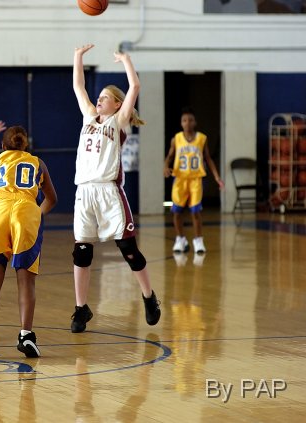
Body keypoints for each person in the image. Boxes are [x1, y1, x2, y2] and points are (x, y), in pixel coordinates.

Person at [70, 44, 161, 333]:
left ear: (118, 105)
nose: (98, 100)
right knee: (81, 252)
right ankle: (81, 309)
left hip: (109, 191)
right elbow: (78, 86)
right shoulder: (88, 116)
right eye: (98, 97)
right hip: (84, 191)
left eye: (105, 97)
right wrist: (78, 57)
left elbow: (135, 86)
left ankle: (149, 297)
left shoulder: (118, 122)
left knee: (128, 248)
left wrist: (126, 60)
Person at [0, 126, 57, 359]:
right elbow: (52, 198)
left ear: (2, 146)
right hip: (26, 213)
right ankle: (26, 336)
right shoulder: (38, 163)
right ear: (25, 146)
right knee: (26, 280)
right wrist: (36, 214)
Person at [163, 107, 224, 254]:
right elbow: (169, 157)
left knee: (195, 211)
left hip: (196, 179)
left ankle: (198, 240)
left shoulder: (202, 139)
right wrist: (165, 167)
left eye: (190, 120)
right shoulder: (176, 139)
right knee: (177, 212)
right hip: (180, 179)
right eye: (184, 120)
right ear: (181, 123)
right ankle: (180, 239)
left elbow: (208, 159)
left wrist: (217, 177)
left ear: (195, 122)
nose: (187, 123)